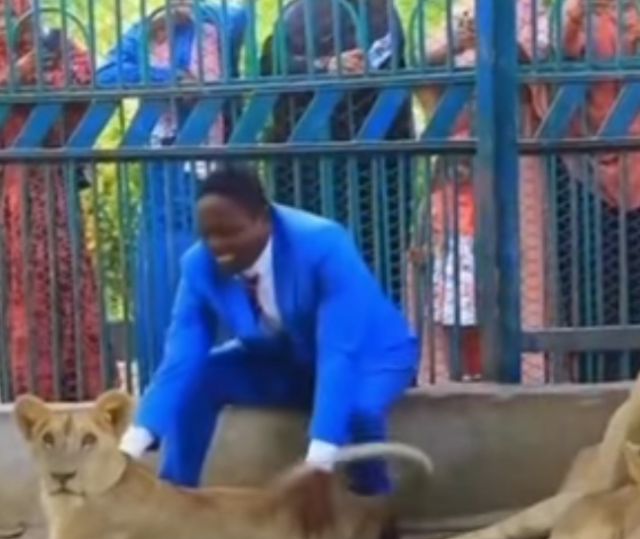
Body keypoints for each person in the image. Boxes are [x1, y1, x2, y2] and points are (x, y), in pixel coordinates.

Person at [120, 164, 418, 509]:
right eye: (208, 235)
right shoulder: (198, 266)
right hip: (285, 360)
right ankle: (173, 499)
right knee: (201, 377)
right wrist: (132, 445)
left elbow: (341, 352)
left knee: (359, 410)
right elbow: (180, 358)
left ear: (264, 218)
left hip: (369, 357)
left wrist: (318, 460)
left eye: (230, 231)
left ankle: (373, 507)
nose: (218, 246)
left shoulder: (323, 244)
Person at [97, 1, 247, 389]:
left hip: (219, 171)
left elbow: (240, 22)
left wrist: (200, 16)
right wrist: (165, 74)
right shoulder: (146, 30)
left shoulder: (223, 20)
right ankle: (164, 384)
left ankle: (225, 380)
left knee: (224, 270)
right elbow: (106, 74)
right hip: (164, 175)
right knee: (167, 277)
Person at [411, 0, 550, 383]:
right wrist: (457, 42)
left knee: (517, 267)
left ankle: (523, 372)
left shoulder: (535, 16)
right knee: (451, 278)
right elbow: (420, 66)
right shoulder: (459, 16)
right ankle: (453, 376)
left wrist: (497, 41)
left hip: (516, 161)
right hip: (455, 166)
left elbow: (541, 62)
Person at [260, 0, 413, 307]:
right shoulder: (296, 14)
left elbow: (393, 70)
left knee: (376, 252)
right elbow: (270, 66)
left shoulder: (382, 12)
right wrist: (325, 66)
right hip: (307, 161)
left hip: (375, 159)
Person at [0, 1, 107, 400]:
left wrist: (40, 74)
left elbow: (87, 82)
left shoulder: (58, 48)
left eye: (14, 12)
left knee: (59, 285)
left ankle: (68, 386)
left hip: (48, 186)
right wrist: (16, 77)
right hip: (9, 185)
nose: (7, 21)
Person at [550, 0, 640, 381]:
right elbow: (550, 59)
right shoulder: (576, 13)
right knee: (595, 286)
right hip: (588, 164)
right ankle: (598, 380)